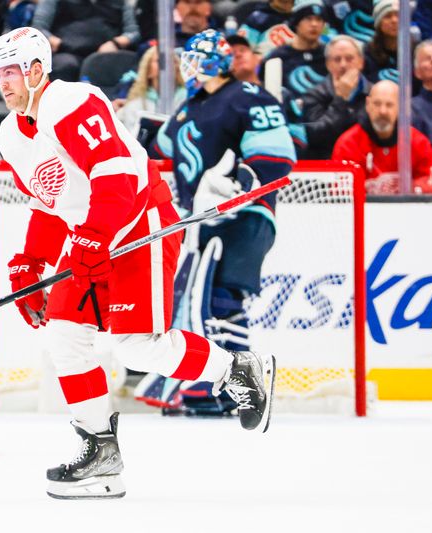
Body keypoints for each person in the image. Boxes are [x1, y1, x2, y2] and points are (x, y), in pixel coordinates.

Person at [0, 26, 276, 499]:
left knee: (137, 345)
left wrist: (94, 239)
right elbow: (50, 201)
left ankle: (236, 370)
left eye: (11, 73)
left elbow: (116, 173)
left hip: (138, 218)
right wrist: (30, 263)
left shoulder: (72, 101)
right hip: (93, 233)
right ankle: (100, 452)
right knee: (64, 336)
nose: (3, 84)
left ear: (37, 71)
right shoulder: (11, 135)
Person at [146, 29, 295, 416]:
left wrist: (237, 184)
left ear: (214, 60)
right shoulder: (188, 105)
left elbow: (277, 156)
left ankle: (232, 391)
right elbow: (159, 146)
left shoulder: (249, 97)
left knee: (222, 298)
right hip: (197, 222)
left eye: (194, 58)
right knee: (195, 299)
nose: (188, 66)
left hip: (245, 216)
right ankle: (205, 383)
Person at [332, 80, 432, 194]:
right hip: (364, 210)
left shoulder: (418, 143)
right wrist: (368, 188)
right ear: (367, 104)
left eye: (389, 105)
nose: (383, 111)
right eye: (377, 104)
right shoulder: (347, 144)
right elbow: (338, 190)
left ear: (400, 108)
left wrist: (409, 188)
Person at [290, 34, 371, 159]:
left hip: (367, 161)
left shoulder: (374, 94)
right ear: (328, 64)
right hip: (327, 164)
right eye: (337, 59)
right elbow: (316, 137)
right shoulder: (313, 95)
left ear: (361, 62)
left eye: (349, 59)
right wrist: (340, 99)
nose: (343, 65)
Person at [31, 0, 140, 82]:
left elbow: (133, 32)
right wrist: (54, 41)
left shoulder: (121, 2)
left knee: (118, 66)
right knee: (64, 65)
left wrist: (116, 43)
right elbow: (39, 27)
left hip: (104, 53)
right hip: (66, 51)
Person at [260, 0, 328, 96]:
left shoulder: (330, 54)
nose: (314, 24)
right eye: (308, 19)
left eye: (319, 19)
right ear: (296, 23)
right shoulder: (278, 57)